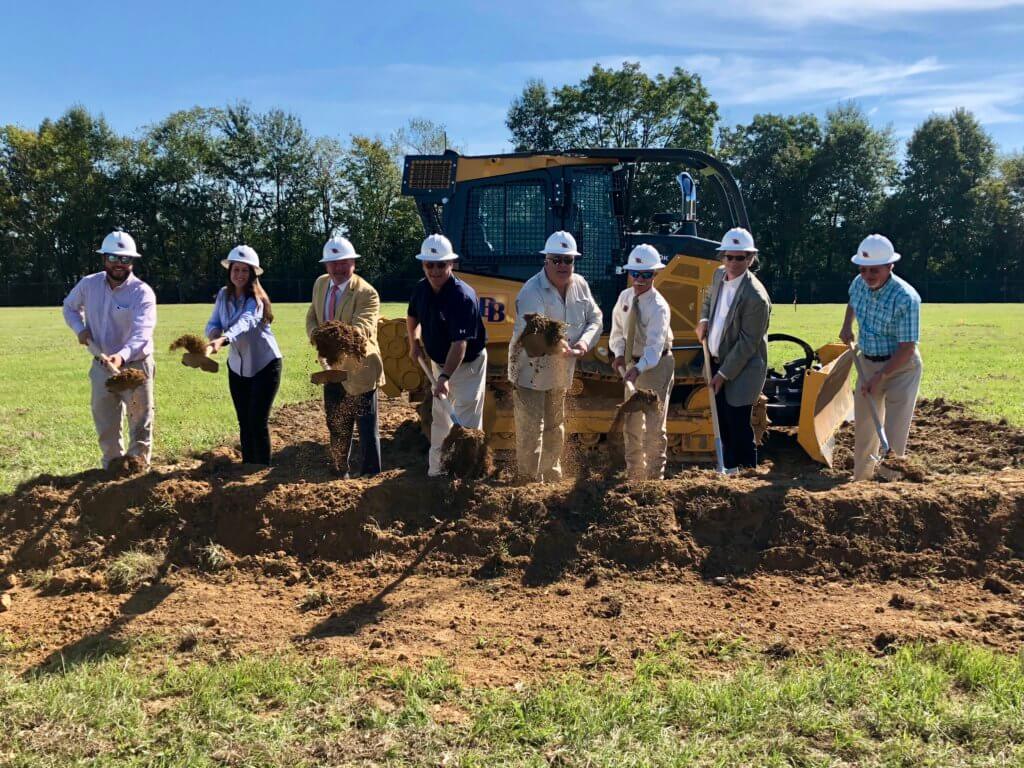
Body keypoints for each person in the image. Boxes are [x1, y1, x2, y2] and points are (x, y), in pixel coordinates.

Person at [508, 231, 602, 482]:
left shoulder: (580, 285)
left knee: (554, 425)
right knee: (531, 429)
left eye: (568, 260)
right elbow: (539, 330)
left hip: (560, 370)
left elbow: (595, 318)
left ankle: (551, 476)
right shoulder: (532, 290)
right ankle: (529, 482)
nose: (563, 265)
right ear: (546, 261)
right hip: (530, 368)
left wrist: (583, 343)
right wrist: (565, 347)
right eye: (556, 259)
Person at [62, 230, 156, 469]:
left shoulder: (142, 292)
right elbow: (69, 307)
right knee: (106, 422)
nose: (118, 264)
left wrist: (121, 355)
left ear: (132, 262)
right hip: (101, 364)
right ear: (104, 258)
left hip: (135, 367)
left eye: (125, 259)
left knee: (140, 422)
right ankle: (112, 469)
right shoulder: (88, 285)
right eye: (113, 258)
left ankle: (136, 472)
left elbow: (142, 332)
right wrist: (79, 329)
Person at [839, 234, 922, 481]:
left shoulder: (906, 298)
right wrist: (847, 326)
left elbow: (907, 347)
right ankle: (861, 480)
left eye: (874, 270)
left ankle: (888, 483)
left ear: (890, 266)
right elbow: (853, 301)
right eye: (863, 270)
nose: (867, 276)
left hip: (901, 367)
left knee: (895, 430)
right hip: (867, 361)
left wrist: (881, 376)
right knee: (865, 425)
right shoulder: (858, 283)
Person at [406, 234, 488, 477]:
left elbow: (460, 345)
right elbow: (412, 316)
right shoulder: (421, 289)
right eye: (429, 265)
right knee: (440, 417)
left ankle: (467, 476)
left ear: (451, 264)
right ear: (423, 265)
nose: (435, 270)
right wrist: (414, 343)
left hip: (467, 364)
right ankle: (438, 473)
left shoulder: (461, 296)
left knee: (466, 421)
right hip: (438, 361)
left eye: (441, 264)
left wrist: (444, 377)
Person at [305, 236, 385, 478]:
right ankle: (340, 472)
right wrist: (317, 338)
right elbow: (312, 317)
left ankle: (371, 476)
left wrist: (334, 337)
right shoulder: (320, 284)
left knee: (366, 430)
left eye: (343, 262)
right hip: (330, 367)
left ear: (353, 263)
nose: (338, 268)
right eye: (333, 263)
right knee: (337, 425)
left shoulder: (366, 293)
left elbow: (363, 328)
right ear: (326, 265)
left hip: (360, 368)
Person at [696, 227, 771, 472]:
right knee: (722, 423)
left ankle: (747, 474)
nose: (734, 262)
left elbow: (748, 343)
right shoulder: (719, 276)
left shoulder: (756, 297)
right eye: (730, 256)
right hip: (717, 360)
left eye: (741, 257)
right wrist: (704, 320)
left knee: (737, 424)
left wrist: (723, 375)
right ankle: (728, 470)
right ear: (722, 257)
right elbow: (708, 301)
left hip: (743, 369)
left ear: (750, 258)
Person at [205, 245, 282, 466]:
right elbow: (213, 322)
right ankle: (247, 467)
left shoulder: (256, 301)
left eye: (244, 271)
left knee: (257, 421)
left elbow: (245, 323)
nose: (239, 275)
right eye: (235, 269)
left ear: (252, 274)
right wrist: (213, 335)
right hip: (237, 367)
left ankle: (261, 469)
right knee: (244, 422)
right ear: (230, 272)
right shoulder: (222, 294)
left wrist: (223, 339)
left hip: (266, 365)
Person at [609, 244, 675, 480]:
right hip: (631, 364)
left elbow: (654, 348)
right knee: (632, 422)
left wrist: (637, 369)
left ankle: (654, 477)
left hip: (655, 365)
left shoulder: (658, 307)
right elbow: (618, 332)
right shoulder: (624, 298)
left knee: (655, 423)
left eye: (646, 274)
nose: (639, 279)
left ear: (654, 274)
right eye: (635, 273)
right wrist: (618, 354)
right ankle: (635, 475)